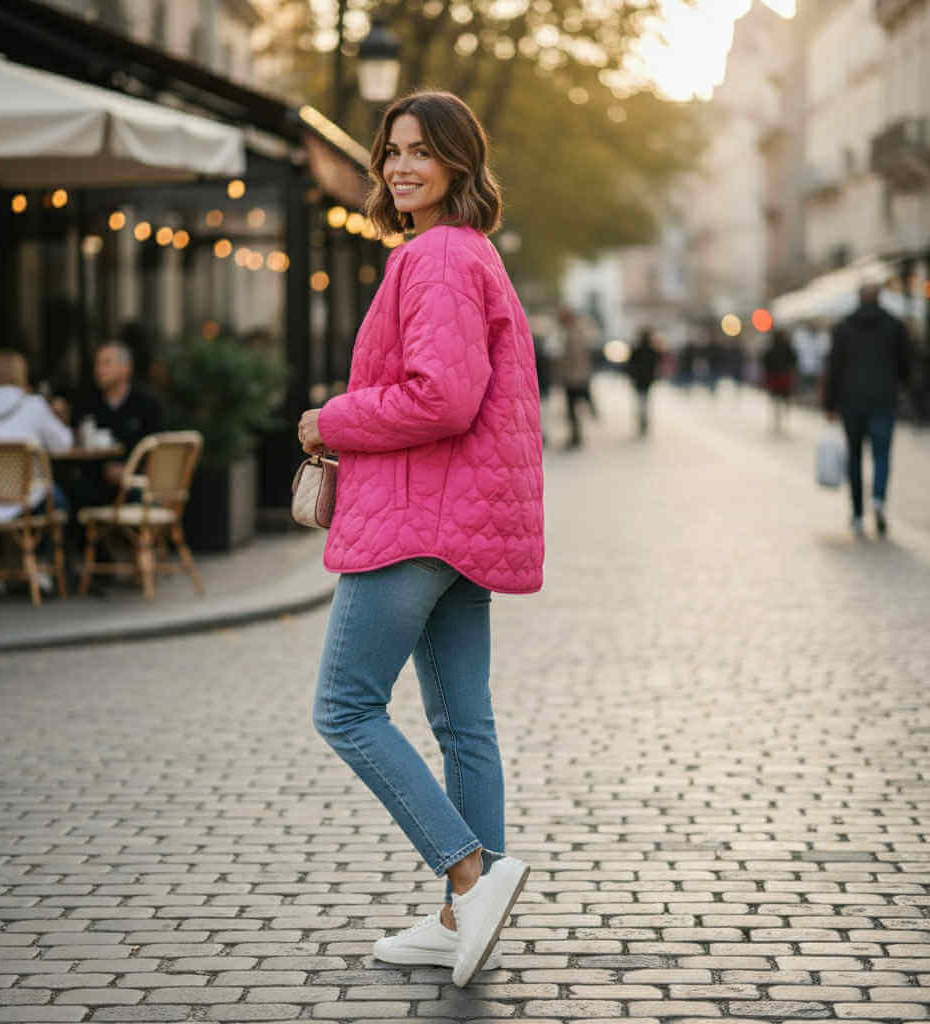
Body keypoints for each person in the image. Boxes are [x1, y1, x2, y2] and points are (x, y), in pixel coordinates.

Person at [297, 91, 544, 989]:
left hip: (416, 519)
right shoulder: (466, 252)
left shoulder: (436, 257)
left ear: (457, 164)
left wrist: (331, 419)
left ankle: (469, 877)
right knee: (461, 723)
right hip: (461, 519)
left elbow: (441, 397)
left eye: (420, 152)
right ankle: (458, 922)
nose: (401, 167)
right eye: (391, 151)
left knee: (345, 707)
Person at [824, 283, 911, 537]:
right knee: (882, 455)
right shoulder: (895, 326)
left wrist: (830, 404)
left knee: (854, 456)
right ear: (880, 298)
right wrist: (902, 387)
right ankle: (879, 500)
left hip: (851, 401)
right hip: (884, 399)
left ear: (859, 298)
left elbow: (834, 367)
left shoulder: (843, 327)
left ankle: (858, 514)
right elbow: (905, 365)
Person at [0, 349, 72, 522]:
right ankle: (41, 549)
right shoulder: (34, 405)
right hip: (29, 501)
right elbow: (64, 445)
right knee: (62, 499)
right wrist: (61, 419)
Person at [71, 341, 163, 505]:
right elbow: (76, 444)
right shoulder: (87, 403)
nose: (99, 370)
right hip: (96, 481)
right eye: (97, 364)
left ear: (126, 368)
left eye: (106, 363)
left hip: (136, 482)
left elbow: (157, 449)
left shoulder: (147, 404)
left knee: (143, 496)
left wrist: (130, 471)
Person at [557, 305, 596, 449]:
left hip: (573, 377)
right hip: (578, 376)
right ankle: (576, 435)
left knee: (572, 409)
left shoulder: (572, 334)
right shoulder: (576, 332)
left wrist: (564, 371)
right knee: (574, 409)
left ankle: (575, 437)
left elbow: (573, 357)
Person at [761, 328, 798, 433]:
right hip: (784, 375)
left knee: (776, 398)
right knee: (784, 397)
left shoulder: (771, 348)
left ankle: (778, 414)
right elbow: (794, 360)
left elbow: (765, 361)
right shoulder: (787, 347)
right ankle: (783, 413)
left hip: (775, 376)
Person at [627, 326, 661, 435]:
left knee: (640, 402)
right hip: (647, 380)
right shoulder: (651, 349)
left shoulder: (637, 349)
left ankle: (642, 422)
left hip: (639, 380)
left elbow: (629, 364)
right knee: (644, 402)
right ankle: (643, 422)